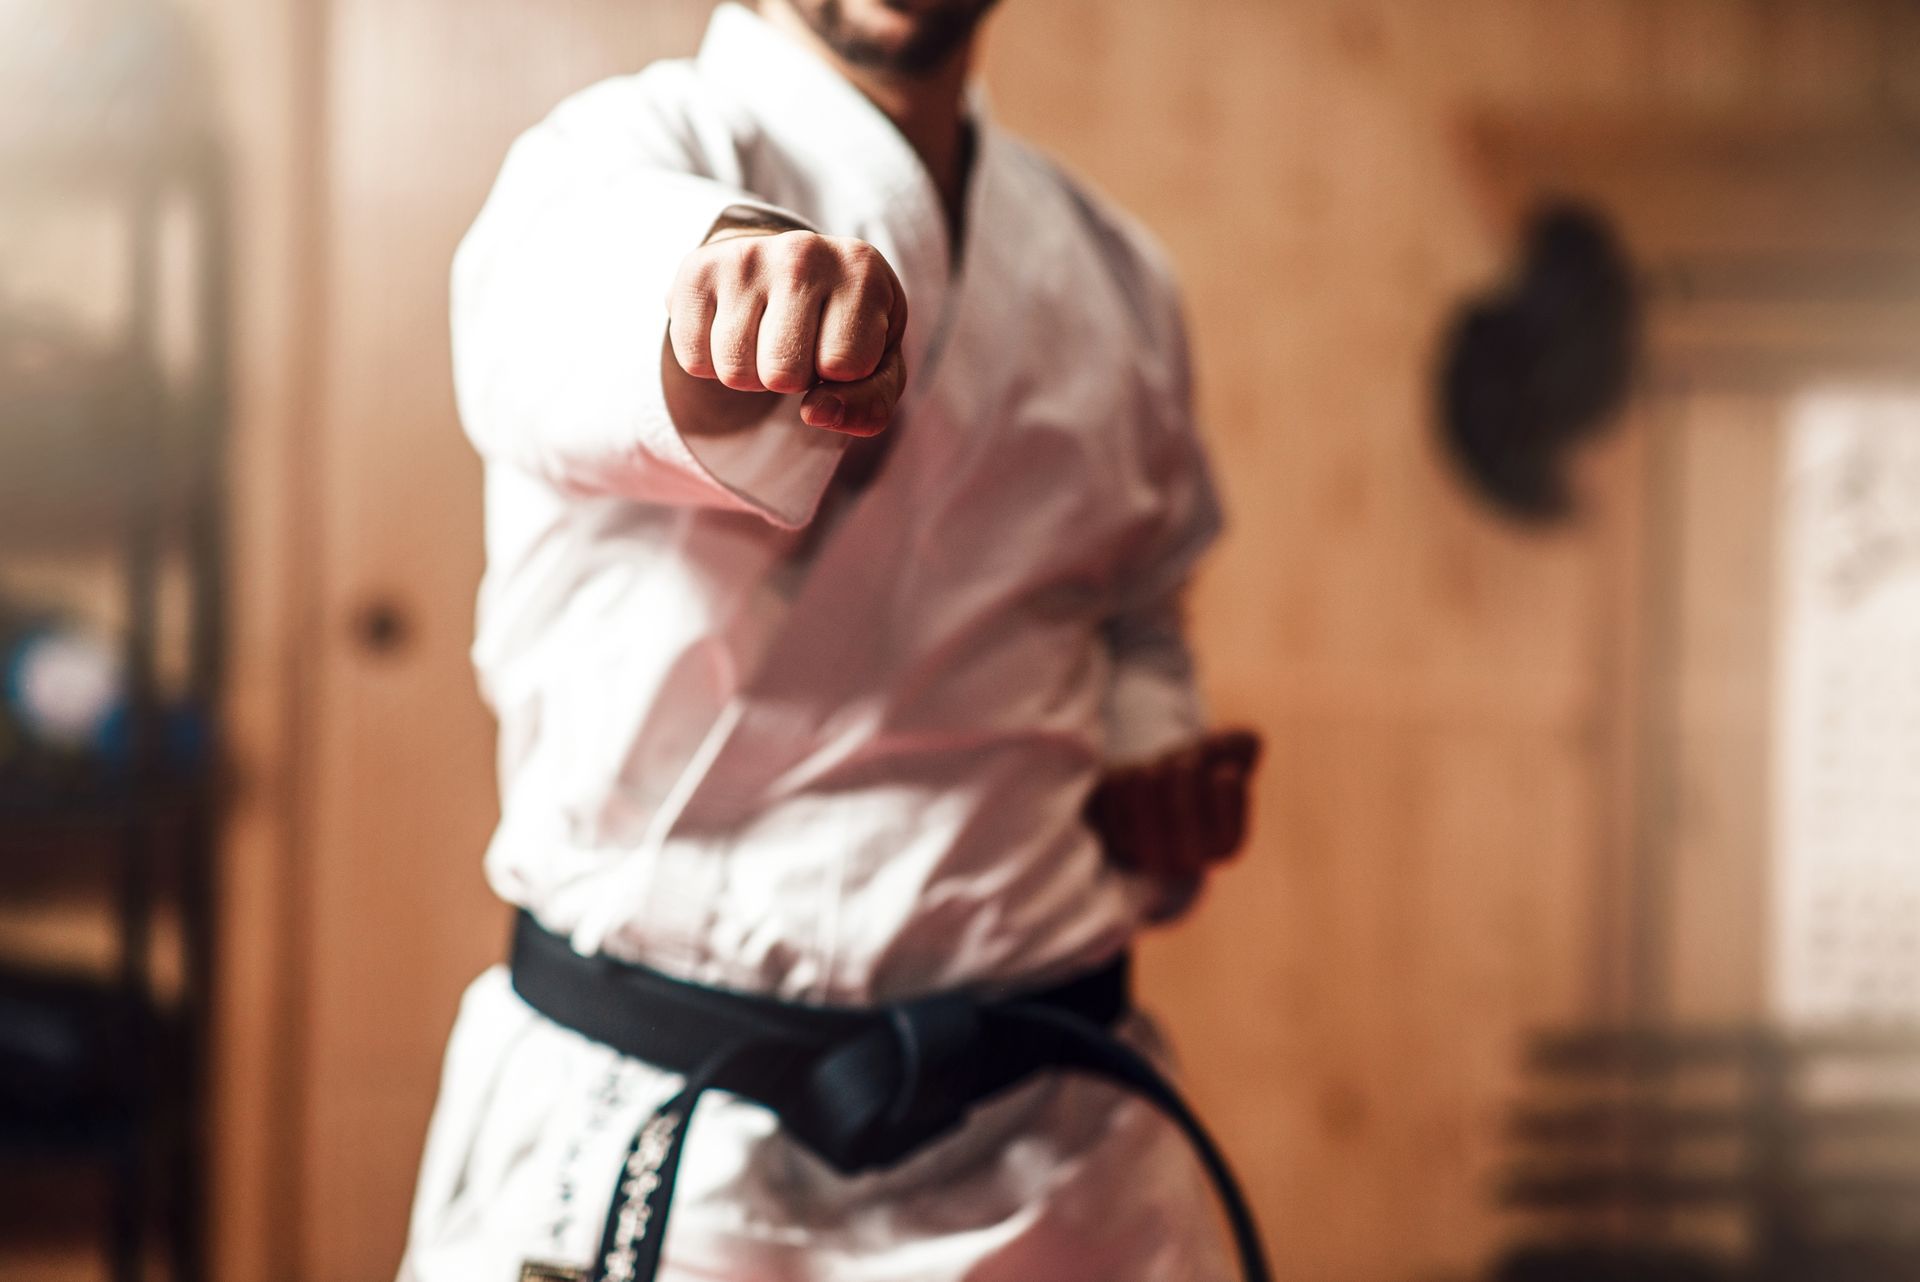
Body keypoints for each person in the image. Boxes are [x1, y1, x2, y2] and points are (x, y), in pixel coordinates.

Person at [397, 1, 1263, 1279]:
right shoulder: (618, 165)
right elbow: (572, 319)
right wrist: (720, 292)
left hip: (1053, 1148)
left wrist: (1146, 769)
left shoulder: (1113, 270)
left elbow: (1136, 606)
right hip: (683, 1142)